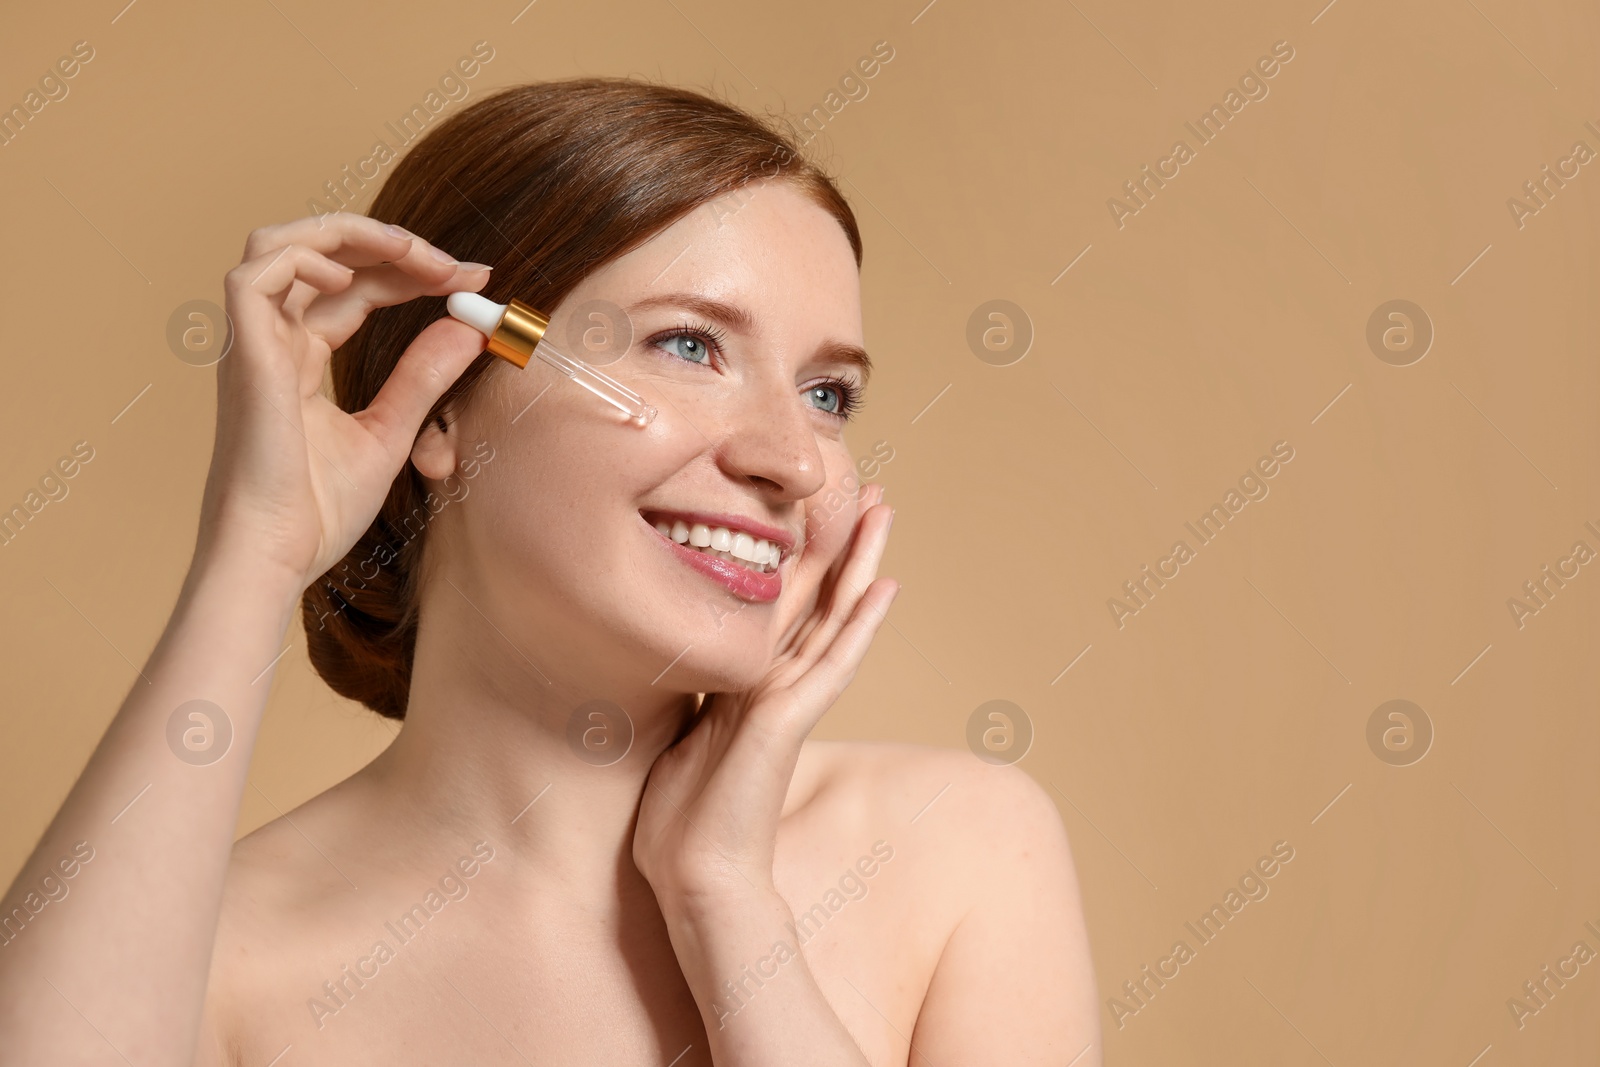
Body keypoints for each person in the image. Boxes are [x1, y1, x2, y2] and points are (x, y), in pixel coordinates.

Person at [0, 77, 1099, 1065]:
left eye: (827, 395)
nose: (793, 460)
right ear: (441, 403)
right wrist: (255, 545)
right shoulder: (220, 954)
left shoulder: (953, 846)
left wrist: (729, 911)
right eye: (688, 344)